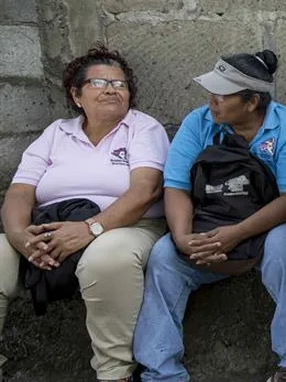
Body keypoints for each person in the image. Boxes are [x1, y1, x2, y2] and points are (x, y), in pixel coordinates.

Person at [132, 50, 286, 382]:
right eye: (211, 92)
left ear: (251, 102)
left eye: (222, 94)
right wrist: (183, 238)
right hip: (211, 218)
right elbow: (176, 186)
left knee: (285, 249)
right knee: (164, 255)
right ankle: (160, 372)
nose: (212, 101)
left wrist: (238, 233)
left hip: (270, 224)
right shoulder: (199, 122)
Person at [0, 45, 169, 382]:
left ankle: (115, 372)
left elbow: (145, 191)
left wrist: (90, 229)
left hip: (130, 225)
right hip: (51, 226)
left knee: (107, 257)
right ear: (76, 95)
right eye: (99, 83)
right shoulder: (57, 133)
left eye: (120, 84)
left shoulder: (142, 128)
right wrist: (20, 237)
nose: (111, 89)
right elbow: (19, 192)